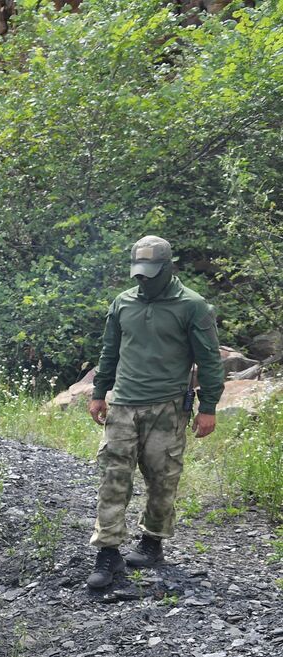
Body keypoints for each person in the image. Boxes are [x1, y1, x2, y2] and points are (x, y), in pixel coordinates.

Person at [85, 235, 223, 589]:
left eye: (150, 272)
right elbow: (109, 350)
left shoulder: (193, 306)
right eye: (138, 272)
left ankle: (152, 543)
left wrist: (208, 408)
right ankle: (108, 552)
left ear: (168, 267)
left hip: (167, 406)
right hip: (124, 404)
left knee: (162, 479)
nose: (142, 279)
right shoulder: (122, 303)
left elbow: (209, 360)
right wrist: (99, 393)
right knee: (113, 476)